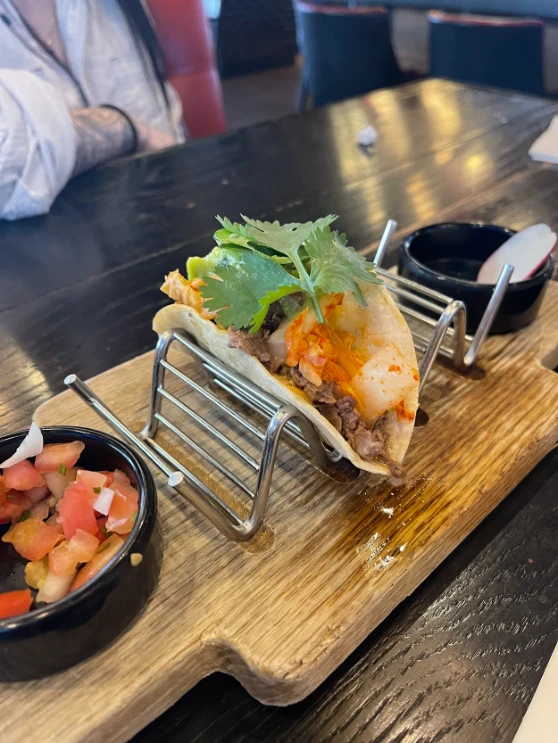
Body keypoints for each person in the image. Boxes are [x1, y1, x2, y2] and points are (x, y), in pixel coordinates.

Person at [0, 0, 186, 221]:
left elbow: (165, 126)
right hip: (52, 246)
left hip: (157, 220)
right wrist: (123, 127)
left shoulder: (118, 7)